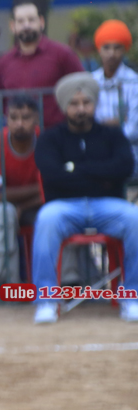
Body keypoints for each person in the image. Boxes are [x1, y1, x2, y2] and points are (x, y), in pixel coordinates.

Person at [31, 73, 138, 324]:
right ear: (64, 106)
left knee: (134, 218)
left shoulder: (113, 135)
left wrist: (75, 169)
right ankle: (46, 300)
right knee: (45, 219)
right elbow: (52, 175)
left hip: (107, 205)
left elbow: (124, 168)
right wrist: (101, 174)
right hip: (64, 206)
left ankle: (132, 297)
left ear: (95, 104)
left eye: (86, 102)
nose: (81, 109)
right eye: (74, 103)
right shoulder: (50, 139)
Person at [0, 95, 42, 288]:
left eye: (25, 118)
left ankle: (61, 283)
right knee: (5, 213)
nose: (19, 123)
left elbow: (53, 189)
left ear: (36, 119)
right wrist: (39, 189)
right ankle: (7, 287)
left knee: (56, 212)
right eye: (13, 117)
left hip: (31, 205)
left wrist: (23, 205)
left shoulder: (45, 141)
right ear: (6, 119)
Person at [0, 0, 84, 129]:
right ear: (12, 26)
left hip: (57, 133)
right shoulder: (4, 62)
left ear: (41, 22)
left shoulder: (62, 54)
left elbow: (81, 88)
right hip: (19, 136)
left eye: (31, 20)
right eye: (20, 21)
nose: (26, 25)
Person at [91, 19, 138, 172]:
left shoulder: (134, 82)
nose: (111, 53)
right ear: (99, 49)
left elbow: (133, 130)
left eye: (117, 48)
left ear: (124, 49)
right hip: (97, 157)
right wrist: (118, 121)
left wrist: (102, 126)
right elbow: (88, 125)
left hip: (131, 157)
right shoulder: (91, 81)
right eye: (106, 47)